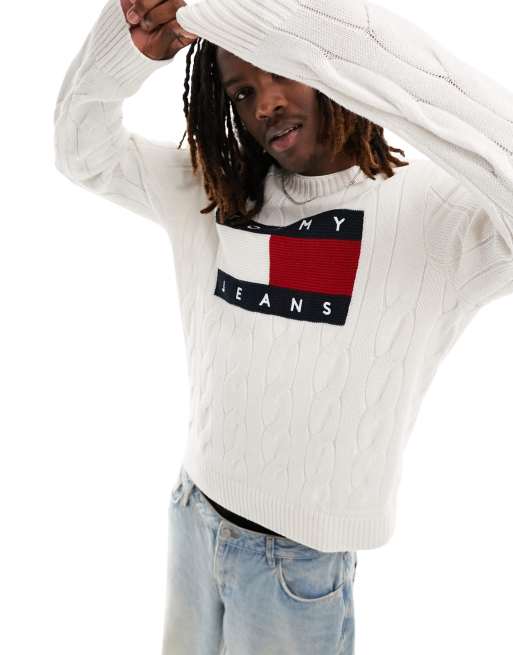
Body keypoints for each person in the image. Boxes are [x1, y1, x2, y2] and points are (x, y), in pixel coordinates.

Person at [53, 0, 513, 653]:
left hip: (296, 565)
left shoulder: (436, 217)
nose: (265, 103)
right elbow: (81, 152)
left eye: (282, 69)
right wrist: (134, 36)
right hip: (194, 516)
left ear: (325, 56)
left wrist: (286, 22)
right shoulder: (213, 192)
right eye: (242, 91)